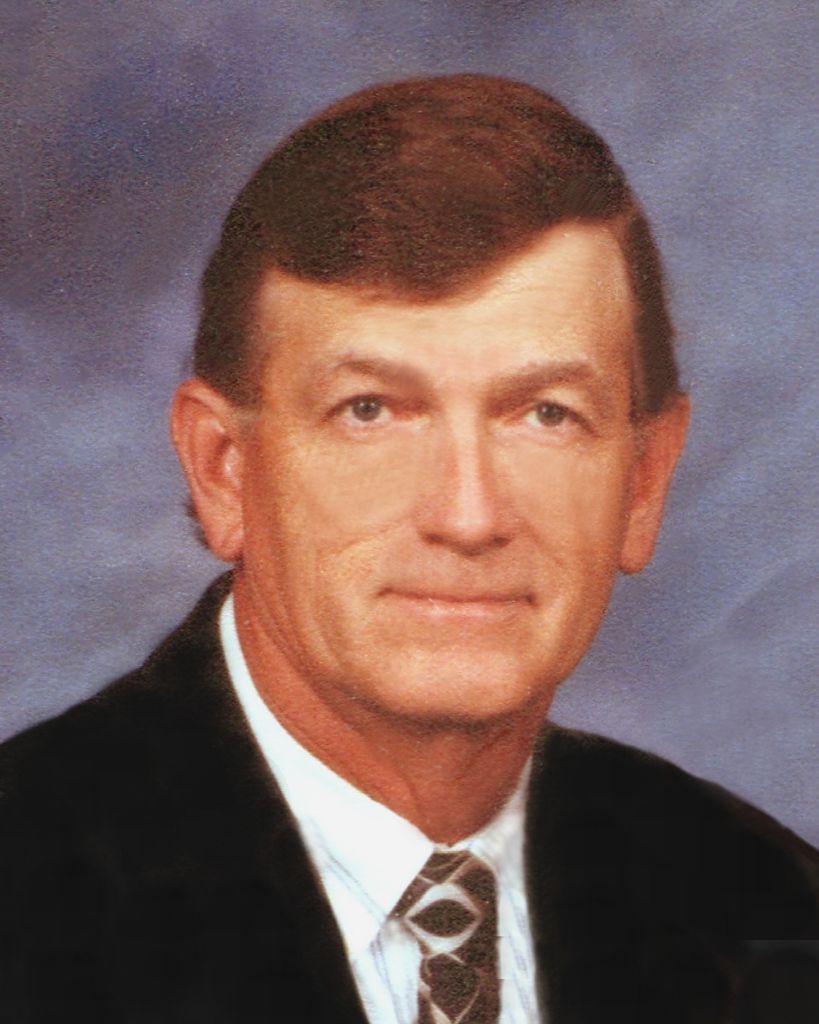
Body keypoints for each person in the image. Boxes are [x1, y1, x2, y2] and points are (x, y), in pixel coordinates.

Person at [1, 74, 817, 1024]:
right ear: (224, 470)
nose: (468, 516)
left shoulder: (771, 910)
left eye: (546, 414)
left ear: (642, 481)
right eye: (371, 411)